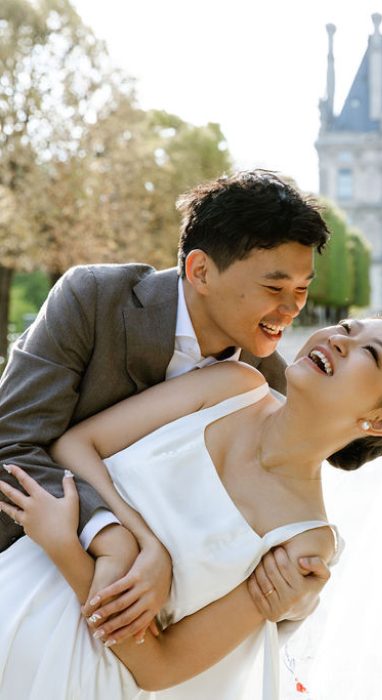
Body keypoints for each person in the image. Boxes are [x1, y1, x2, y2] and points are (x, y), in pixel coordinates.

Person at [0, 317, 382, 698]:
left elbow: (161, 664)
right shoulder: (232, 385)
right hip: (12, 592)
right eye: (347, 327)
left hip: (76, 680)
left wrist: (65, 548)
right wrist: (141, 542)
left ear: (379, 422)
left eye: (371, 352)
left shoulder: (303, 543)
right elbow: (76, 444)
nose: (339, 339)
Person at [0, 170, 332, 640]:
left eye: (302, 290)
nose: (292, 308)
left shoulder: (272, 384)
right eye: (275, 289)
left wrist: (297, 600)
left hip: (157, 633)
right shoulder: (93, 300)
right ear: (200, 271)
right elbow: (10, 446)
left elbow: (276, 525)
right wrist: (116, 535)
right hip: (27, 582)